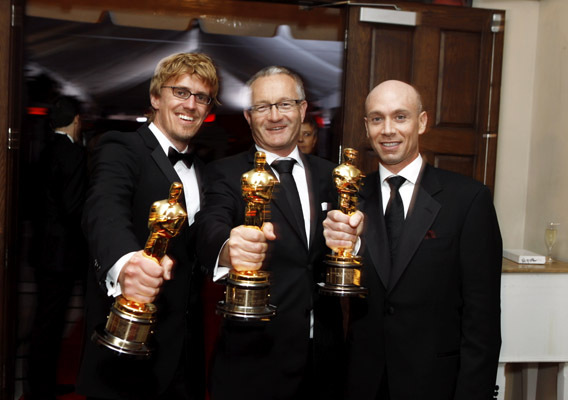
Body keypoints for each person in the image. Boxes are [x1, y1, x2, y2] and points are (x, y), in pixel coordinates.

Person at [323, 80, 502, 400]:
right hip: (361, 382)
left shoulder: (468, 199)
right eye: (377, 118)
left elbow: (483, 319)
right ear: (366, 128)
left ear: (422, 122)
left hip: (436, 383)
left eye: (400, 117)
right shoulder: (347, 198)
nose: (388, 129)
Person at [76, 52, 219, 400]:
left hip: (185, 351)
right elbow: (103, 208)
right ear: (155, 98)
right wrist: (127, 264)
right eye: (181, 92)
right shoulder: (122, 147)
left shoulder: (204, 171)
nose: (191, 104)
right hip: (127, 348)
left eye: (201, 97)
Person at [195, 66, 343, 400]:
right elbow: (210, 227)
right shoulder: (225, 173)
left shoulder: (331, 176)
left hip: (324, 362)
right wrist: (229, 248)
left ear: (302, 110)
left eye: (285, 104)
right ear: (248, 116)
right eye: (263, 107)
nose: (274, 116)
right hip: (254, 362)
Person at [26, 95, 89, 400]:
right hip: (62, 254)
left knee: (44, 321)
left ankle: (39, 385)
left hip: (42, 249)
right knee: (50, 323)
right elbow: (73, 207)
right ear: (77, 120)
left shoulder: (44, 149)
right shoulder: (73, 154)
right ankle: (41, 388)